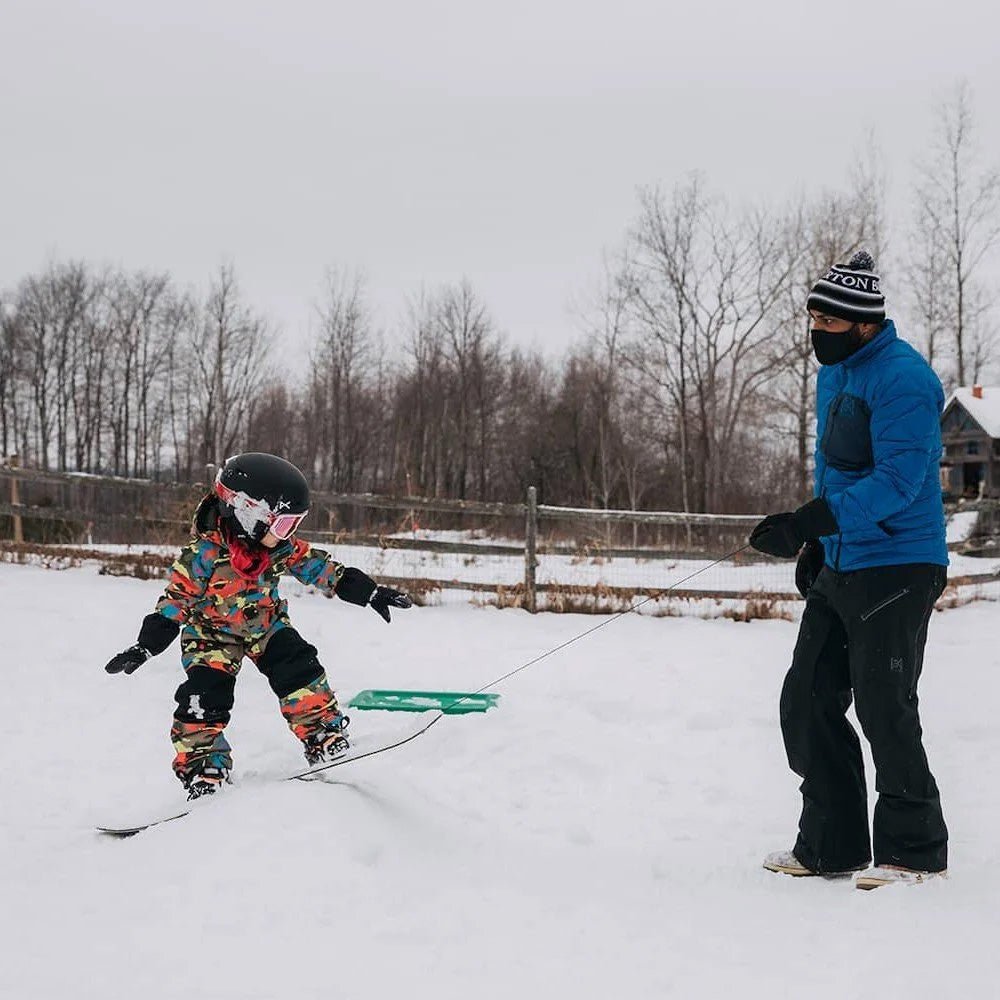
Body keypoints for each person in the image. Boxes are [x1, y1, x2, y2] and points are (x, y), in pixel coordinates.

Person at [749, 250, 949, 890]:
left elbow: (898, 481)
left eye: (827, 322)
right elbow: (836, 467)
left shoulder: (904, 379)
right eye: (810, 318)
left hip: (899, 562)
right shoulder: (833, 375)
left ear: (863, 324)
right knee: (806, 699)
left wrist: (813, 521)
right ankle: (831, 846)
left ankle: (914, 853)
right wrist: (818, 544)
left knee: (885, 705)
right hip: (846, 557)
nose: (816, 332)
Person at [103, 452, 412, 800]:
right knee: (204, 697)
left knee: (299, 667)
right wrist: (145, 646)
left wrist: (369, 592)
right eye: (283, 525)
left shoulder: (277, 547)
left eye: (295, 524)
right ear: (249, 514)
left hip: (266, 625)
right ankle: (204, 766)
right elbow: (175, 603)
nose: (289, 534)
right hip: (211, 637)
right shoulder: (202, 555)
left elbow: (323, 570)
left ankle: (322, 734)